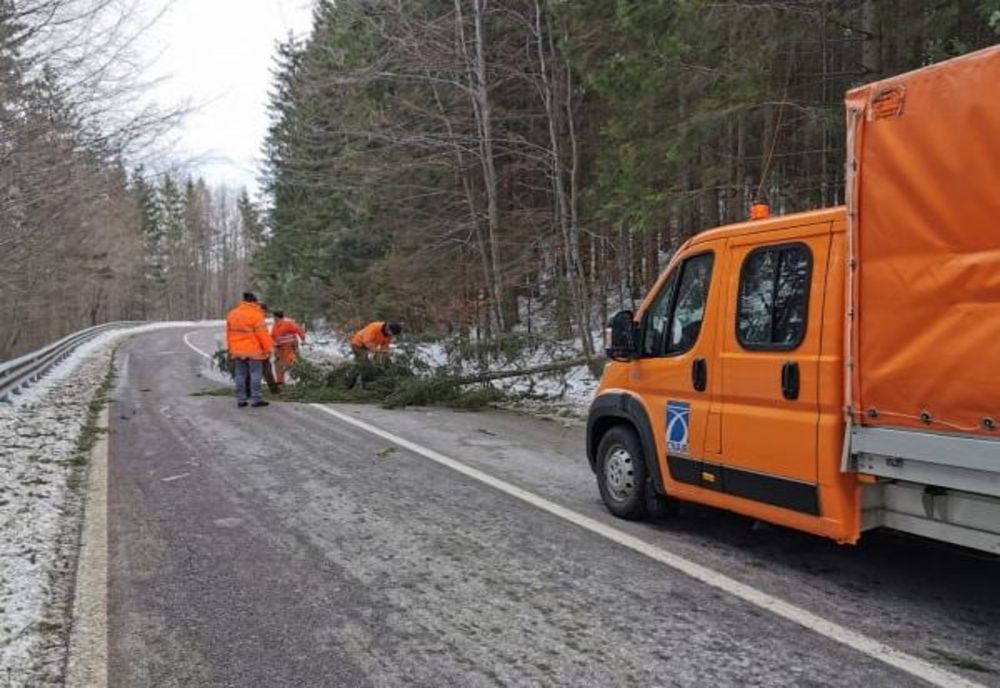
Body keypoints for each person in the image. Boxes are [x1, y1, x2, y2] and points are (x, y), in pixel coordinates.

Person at [225, 292, 274, 408]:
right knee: (255, 374)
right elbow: (263, 335)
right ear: (254, 301)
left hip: (237, 351)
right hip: (254, 351)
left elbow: (228, 334)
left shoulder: (232, 314)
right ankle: (256, 399)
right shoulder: (256, 315)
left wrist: (230, 349)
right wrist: (269, 349)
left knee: (240, 375)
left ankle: (241, 400)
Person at [270, 309, 306, 390]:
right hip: (279, 348)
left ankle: (299, 376)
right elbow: (272, 336)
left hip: (289, 347)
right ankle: (280, 382)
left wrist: (303, 339)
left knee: (289, 363)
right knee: (278, 364)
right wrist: (271, 344)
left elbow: (298, 329)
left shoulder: (288, 323)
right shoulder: (276, 325)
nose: (273, 319)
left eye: (273, 317)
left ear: (276, 317)